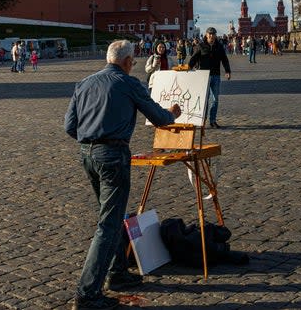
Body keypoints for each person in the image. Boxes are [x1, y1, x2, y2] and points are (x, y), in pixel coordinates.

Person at [64, 40, 182, 310]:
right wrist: (172, 113)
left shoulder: (84, 83)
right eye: (133, 61)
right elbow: (159, 118)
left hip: (87, 154)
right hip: (113, 155)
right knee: (107, 223)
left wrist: (89, 139)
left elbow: (69, 126)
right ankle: (88, 292)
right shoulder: (129, 84)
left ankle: (117, 273)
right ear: (128, 61)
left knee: (111, 215)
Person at [187, 27, 231, 129]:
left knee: (215, 99)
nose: (211, 36)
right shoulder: (200, 46)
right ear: (206, 35)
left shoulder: (219, 47)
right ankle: (202, 120)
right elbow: (194, 58)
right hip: (203, 76)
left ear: (215, 35)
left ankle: (213, 120)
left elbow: (224, 59)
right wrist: (188, 68)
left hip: (215, 75)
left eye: (213, 34)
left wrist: (227, 71)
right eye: (209, 34)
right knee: (204, 99)